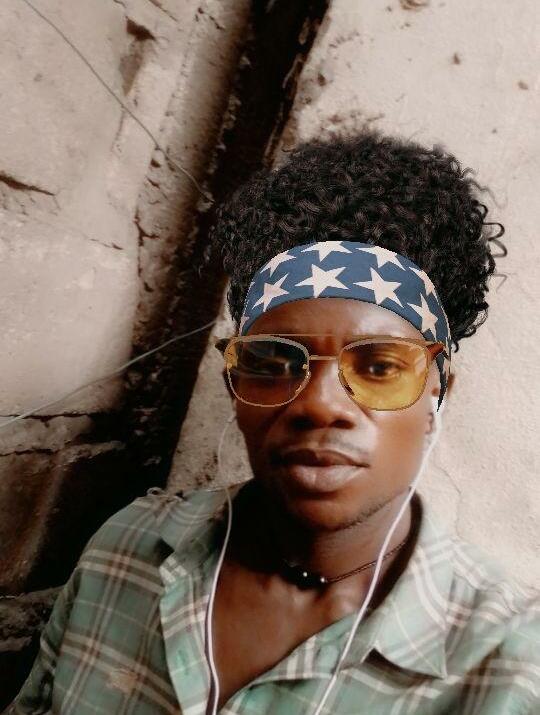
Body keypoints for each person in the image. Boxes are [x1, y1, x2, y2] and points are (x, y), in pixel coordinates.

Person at [7, 131, 539, 714]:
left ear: (438, 394)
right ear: (234, 385)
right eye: (274, 362)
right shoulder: (129, 546)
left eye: (381, 366)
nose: (320, 405)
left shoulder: (510, 667)